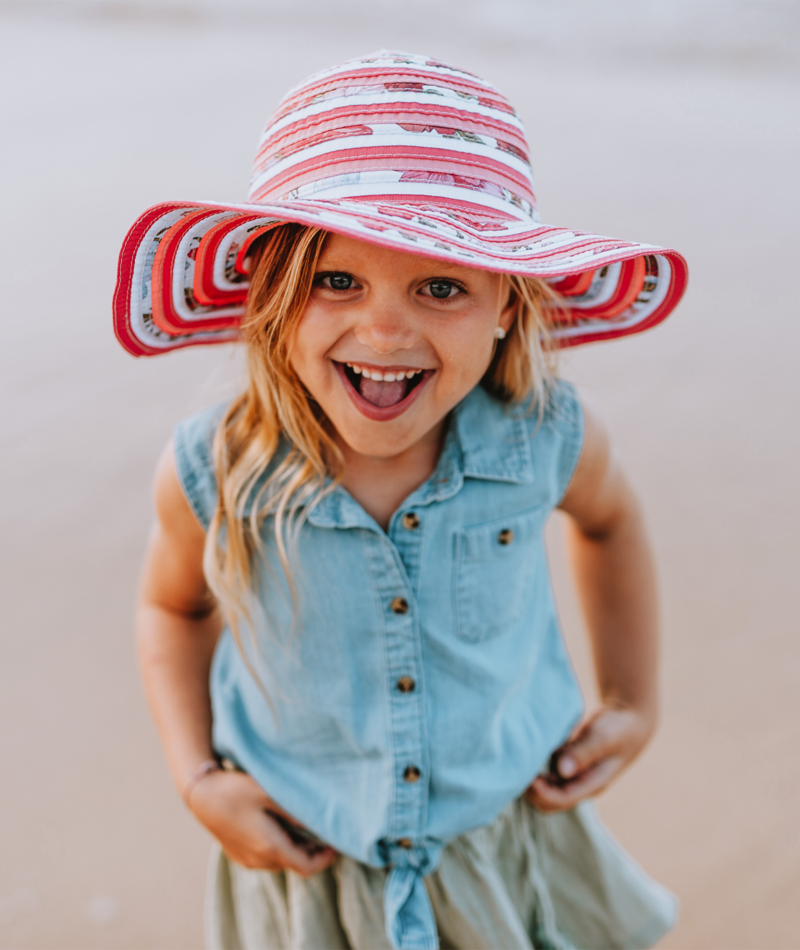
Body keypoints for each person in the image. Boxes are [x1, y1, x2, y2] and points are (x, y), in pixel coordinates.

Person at [118, 51, 688, 950]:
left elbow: (611, 521)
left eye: (442, 286)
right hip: (312, 860)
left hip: (504, 841)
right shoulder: (218, 469)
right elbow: (170, 607)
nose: (384, 331)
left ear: (510, 302)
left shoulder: (544, 437)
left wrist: (633, 698)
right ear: (271, 294)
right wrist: (198, 777)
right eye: (337, 280)